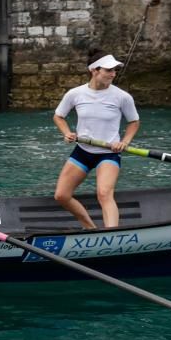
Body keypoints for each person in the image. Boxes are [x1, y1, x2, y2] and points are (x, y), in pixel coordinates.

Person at [52, 53, 139, 230]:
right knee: (61, 195)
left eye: (114, 70)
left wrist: (124, 142)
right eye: (108, 70)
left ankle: (111, 234)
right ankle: (90, 228)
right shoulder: (75, 94)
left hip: (109, 153)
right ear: (94, 70)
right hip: (82, 152)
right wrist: (67, 132)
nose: (113, 74)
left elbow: (134, 122)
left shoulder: (122, 97)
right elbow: (58, 116)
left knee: (104, 193)